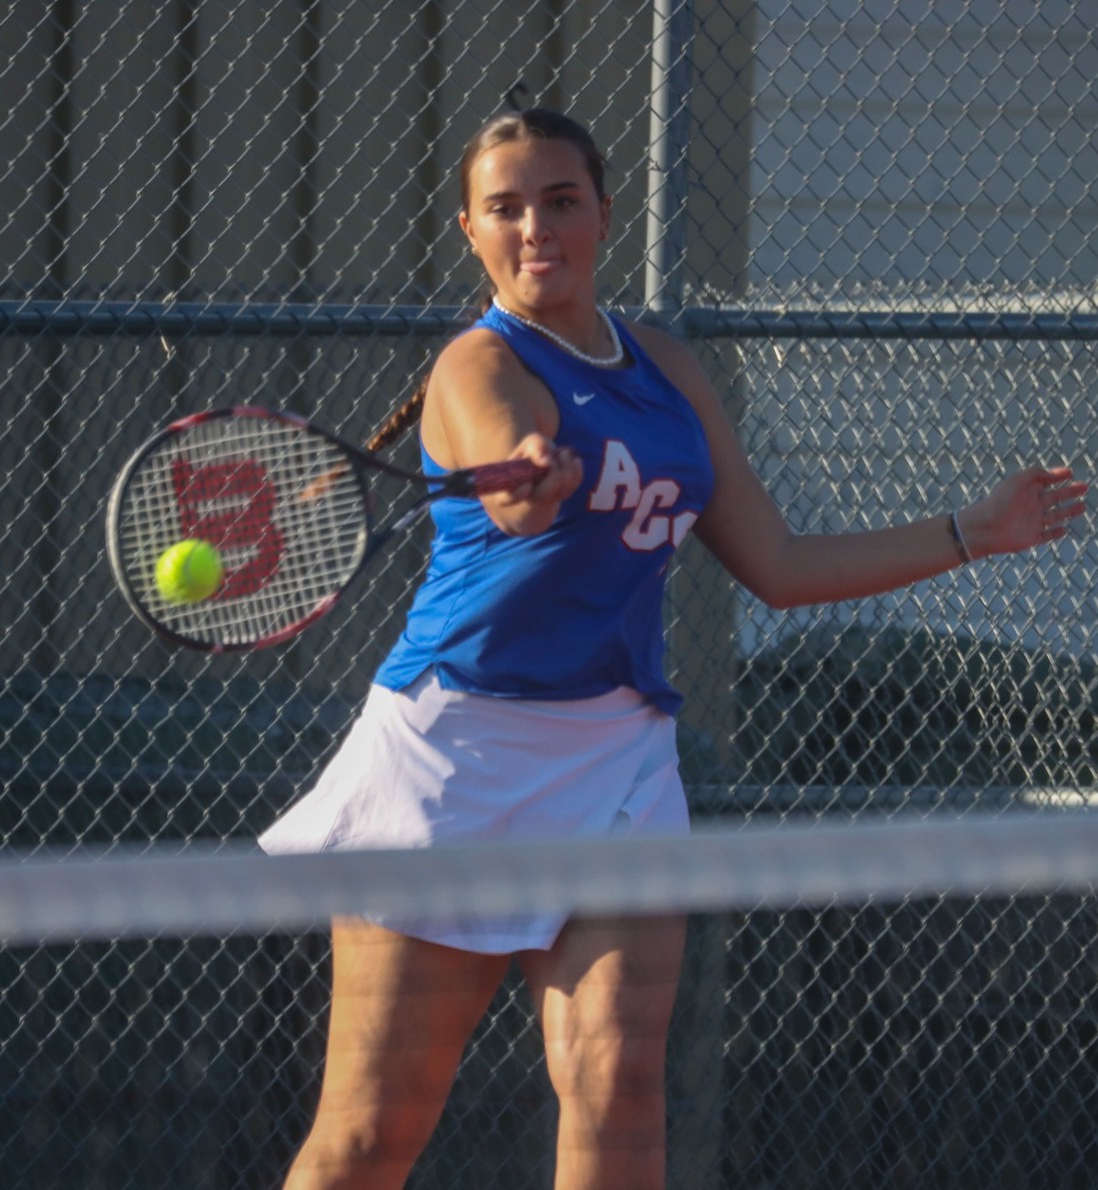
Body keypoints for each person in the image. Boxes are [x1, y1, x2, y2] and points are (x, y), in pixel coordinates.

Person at [258, 106, 1087, 1190]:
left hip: (618, 758)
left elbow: (779, 565)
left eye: (559, 200)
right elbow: (508, 454)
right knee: (371, 1136)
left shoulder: (666, 369)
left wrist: (971, 532)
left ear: (603, 211)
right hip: (453, 761)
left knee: (617, 1086)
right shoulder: (474, 366)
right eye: (504, 208)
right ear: (470, 229)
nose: (534, 226)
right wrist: (534, 475)